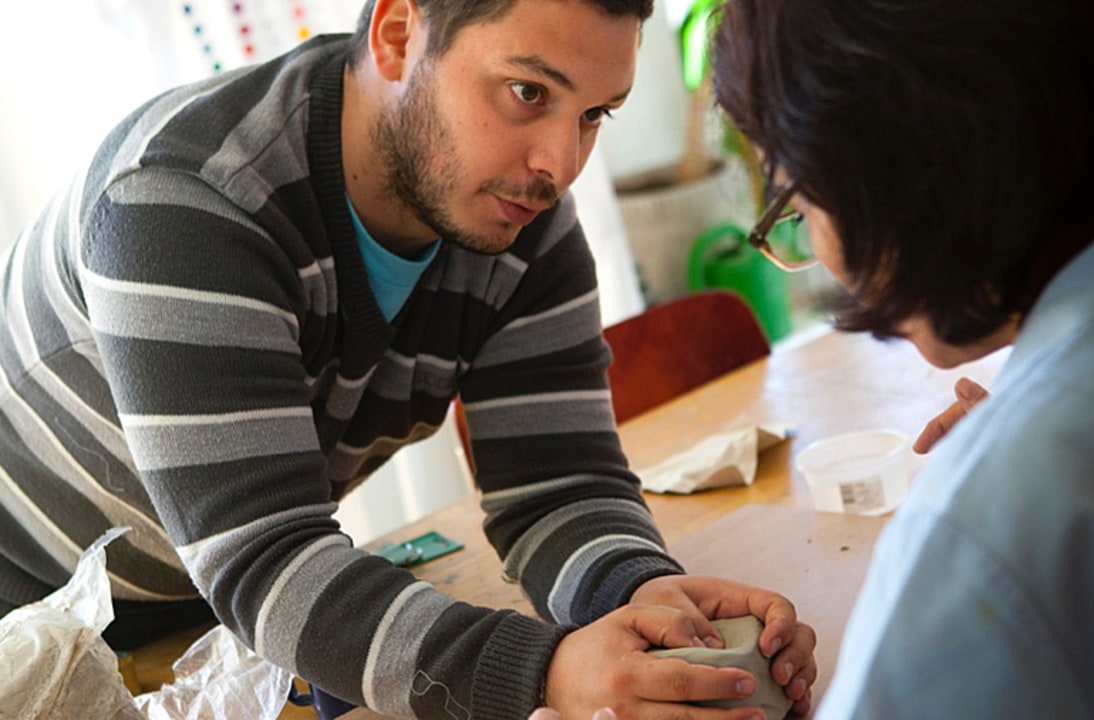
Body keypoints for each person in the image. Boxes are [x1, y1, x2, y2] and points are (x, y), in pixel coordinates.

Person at [0, 0, 818, 717]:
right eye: (528, 92)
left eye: (595, 113)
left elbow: (558, 487)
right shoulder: (184, 201)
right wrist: (545, 672)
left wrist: (639, 596)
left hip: (201, 603)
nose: (560, 166)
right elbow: (267, 565)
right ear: (396, 34)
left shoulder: (518, 220)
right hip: (24, 625)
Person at [708, 0, 1094, 716]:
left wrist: (1024, 461)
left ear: (891, 171)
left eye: (793, 199)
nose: (819, 254)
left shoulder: (994, 526)